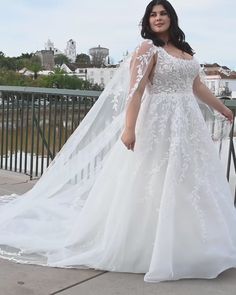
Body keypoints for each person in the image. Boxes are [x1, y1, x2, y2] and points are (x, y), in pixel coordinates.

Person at [0, 0, 235, 283]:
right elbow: (135, 92)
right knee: (155, 176)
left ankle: (194, 240)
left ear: (172, 18)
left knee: (188, 179)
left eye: (163, 13)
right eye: (152, 15)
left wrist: (222, 108)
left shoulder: (185, 52)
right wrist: (129, 129)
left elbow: (196, 86)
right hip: (158, 121)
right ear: (147, 22)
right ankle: (150, 244)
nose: (158, 18)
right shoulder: (148, 50)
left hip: (188, 125)